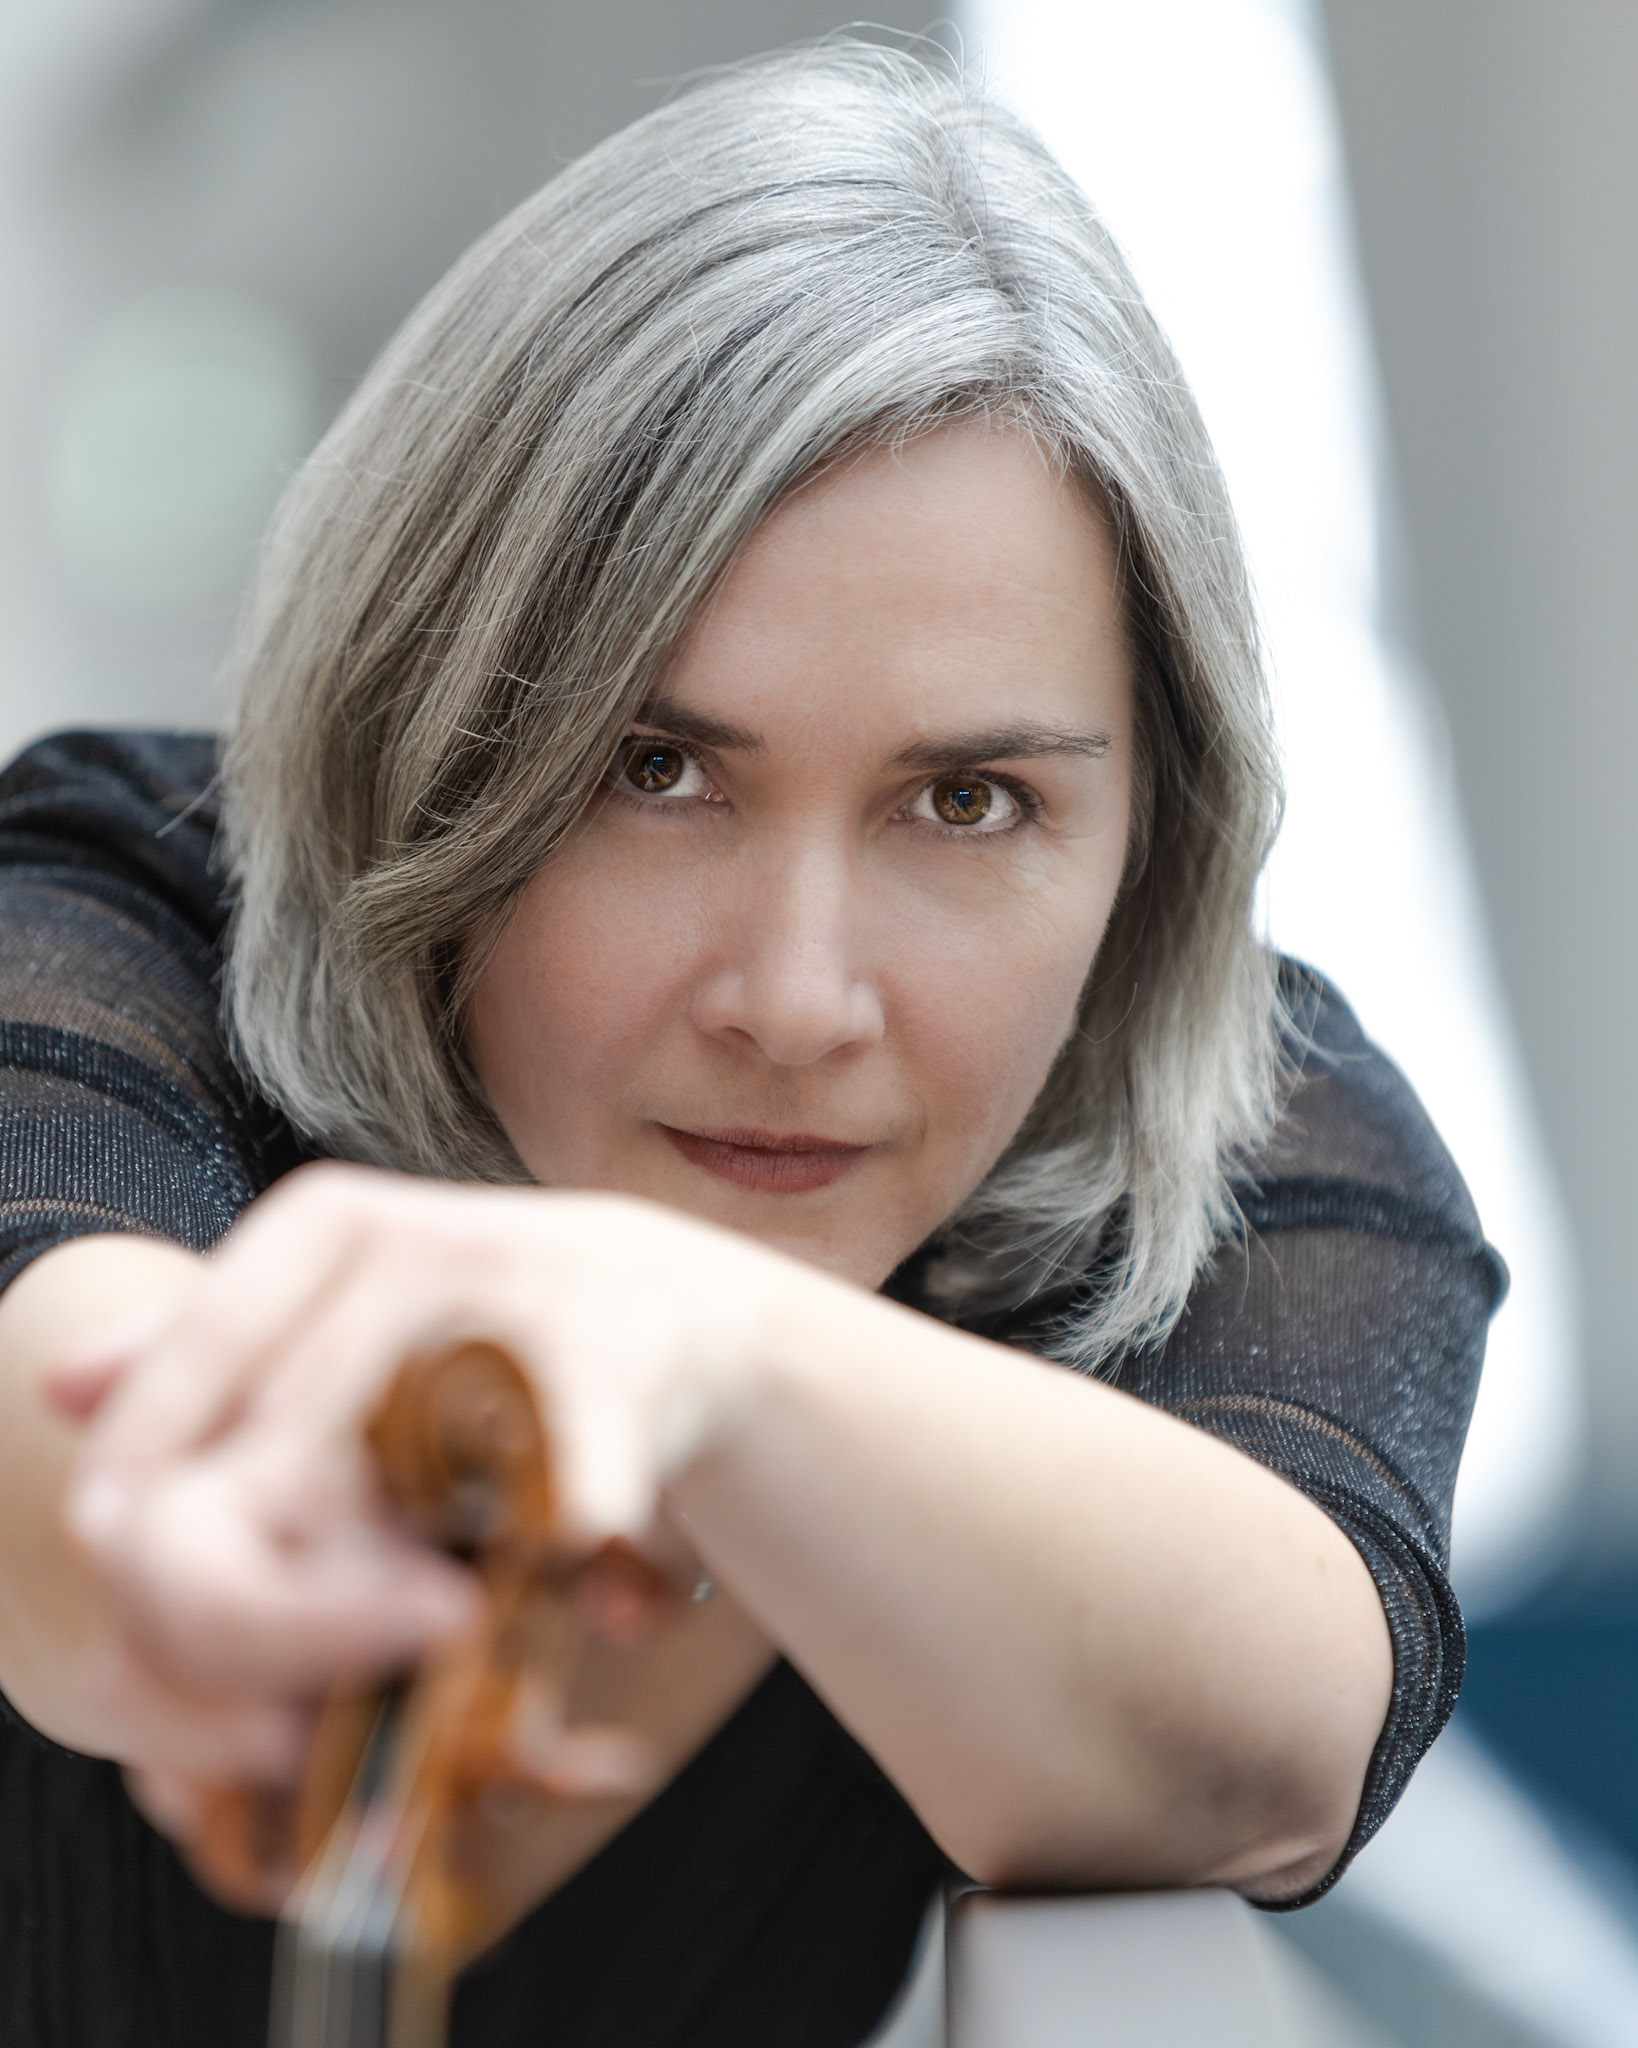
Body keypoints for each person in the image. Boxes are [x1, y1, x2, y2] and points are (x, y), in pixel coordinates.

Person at [0, 41, 1499, 2048]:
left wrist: (700, 1347)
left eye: (967, 802)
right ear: (422, 723)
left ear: (1153, 827)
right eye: (654, 768)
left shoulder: (1245, 1116)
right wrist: (196, 1543)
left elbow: (1280, 1742)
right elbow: (60, 1441)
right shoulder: (113, 906)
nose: (796, 1000)